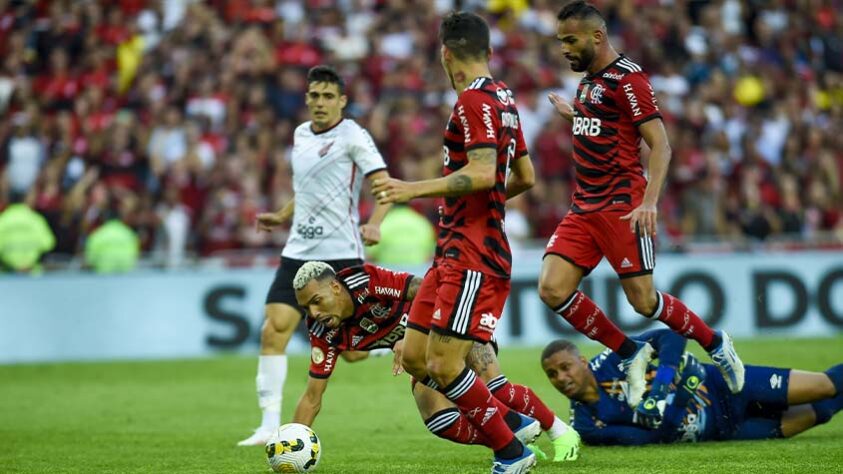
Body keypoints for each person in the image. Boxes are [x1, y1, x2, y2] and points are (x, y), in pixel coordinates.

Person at [537, 0, 744, 415]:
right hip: (584, 207)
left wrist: (649, 202)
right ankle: (630, 350)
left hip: (622, 206)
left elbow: (661, 145)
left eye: (570, 40)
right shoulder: (589, 81)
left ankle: (715, 343)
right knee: (552, 288)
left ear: (597, 37)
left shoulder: (629, 80)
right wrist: (574, 114)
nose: (564, 48)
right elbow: (608, 128)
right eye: (561, 41)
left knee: (644, 303)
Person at [372, 11, 541, 473]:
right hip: (451, 251)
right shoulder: (503, 97)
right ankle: (511, 420)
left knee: (445, 367)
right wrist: (478, 205)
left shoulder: (472, 101)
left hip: (472, 254)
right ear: (487, 51)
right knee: (413, 357)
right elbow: (522, 176)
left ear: (446, 54)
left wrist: (413, 189)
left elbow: (486, 173)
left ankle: (512, 452)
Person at [238, 65, 392, 446]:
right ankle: (269, 425)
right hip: (298, 251)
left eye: (328, 96)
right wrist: (283, 214)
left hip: (341, 253)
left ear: (341, 101)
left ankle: (390, 342)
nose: (320, 103)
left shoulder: (354, 135)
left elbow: (384, 186)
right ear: (306, 99)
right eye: (314, 96)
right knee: (273, 329)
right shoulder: (300, 134)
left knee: (352, 352)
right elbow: (308, 188)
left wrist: (374, 223)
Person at [290, 261, 580, 463]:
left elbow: (432, 290)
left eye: (316, 300)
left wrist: (414, 334)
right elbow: (312, 396)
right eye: (306, 307)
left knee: (495, 390)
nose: (313, 313)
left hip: (456, 324)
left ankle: (560, 431)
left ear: (336, 288)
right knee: (438, 418)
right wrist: (294, 444)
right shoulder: (322, 330)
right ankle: (508, 442)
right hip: (426, 358)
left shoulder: (365, 282)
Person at [540, 329, 843, 445]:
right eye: (552, 374)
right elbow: (652, 437)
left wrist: (661, 388)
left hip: (726, 386)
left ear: (581, 360)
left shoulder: (613, 357)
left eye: (565, 367)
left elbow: (670, 336)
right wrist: (684, 393)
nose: (561, 378)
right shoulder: (585, 425)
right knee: (821, 412)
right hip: (725, 431)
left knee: (825, 387)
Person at [0, 193, 55, 274]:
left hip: (7, 275)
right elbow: (49, 244)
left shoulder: (2, 220)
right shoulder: (36, 219)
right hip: (33, 274)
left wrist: (14, 265)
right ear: (26, 200)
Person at [366, 204, 436, 265]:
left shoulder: (383, 224)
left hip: (389, 275)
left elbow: (370, 256)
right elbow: (430, 255)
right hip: (417, 275)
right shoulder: (422, 222)